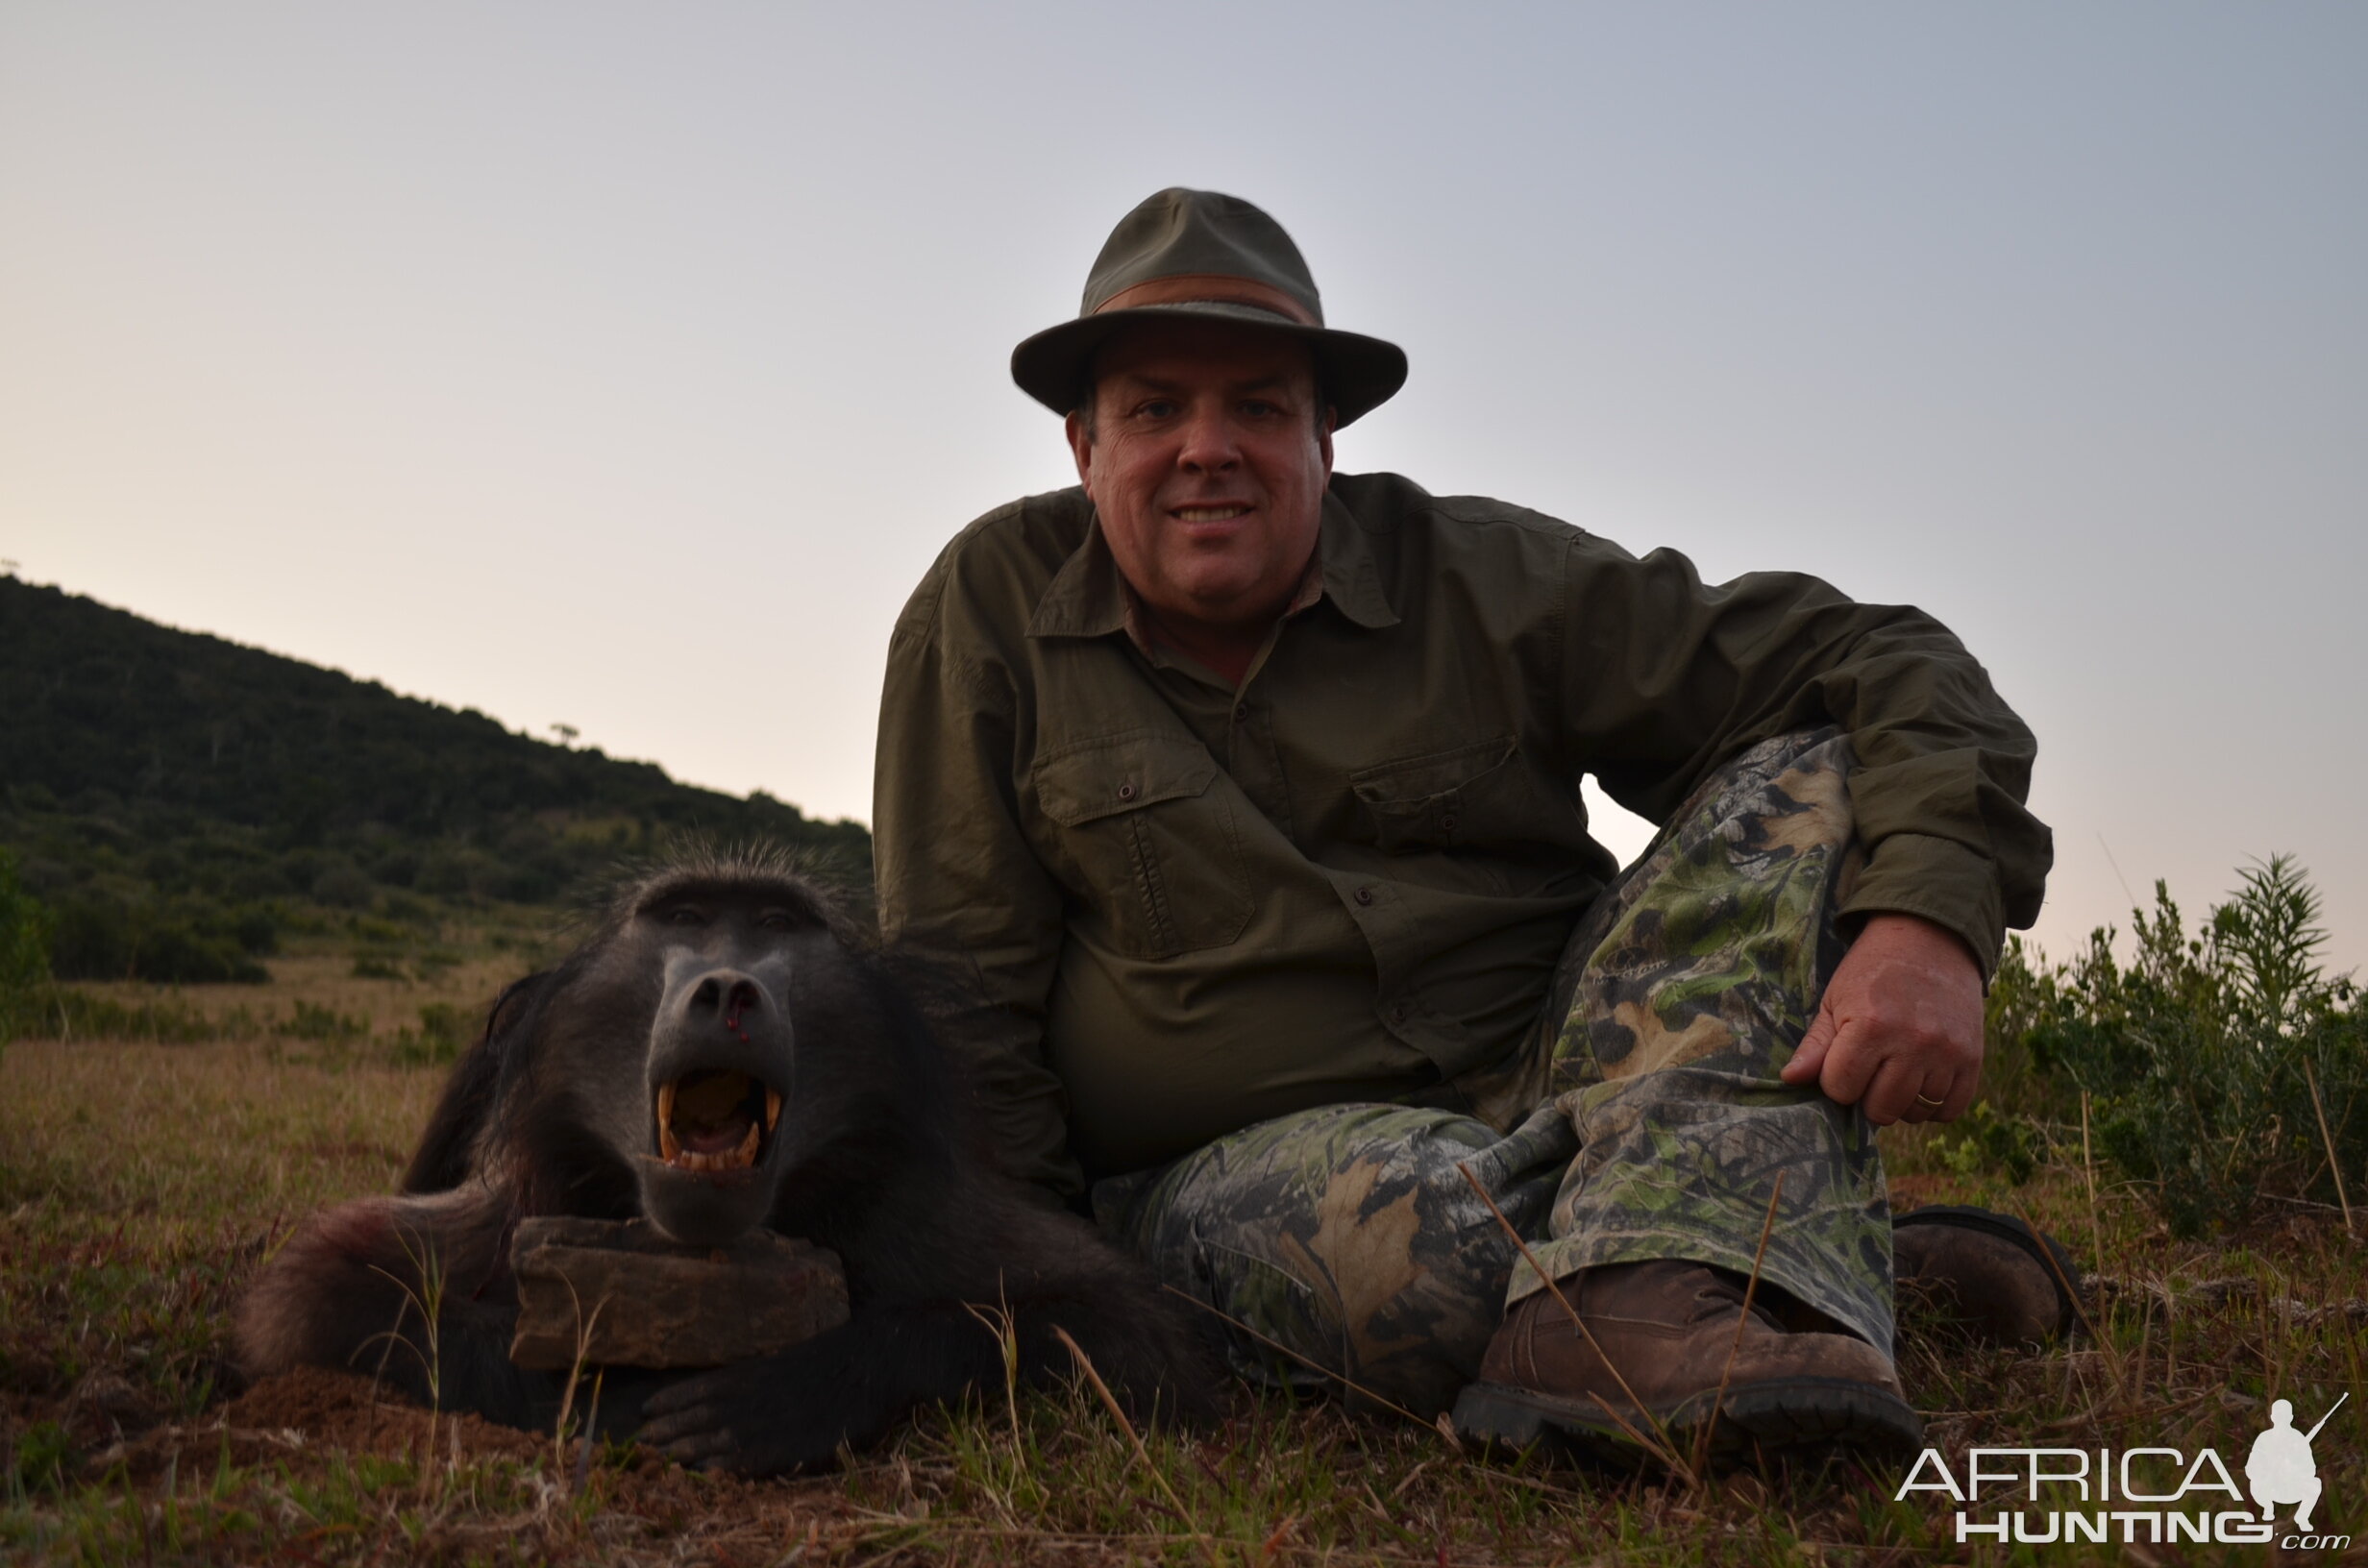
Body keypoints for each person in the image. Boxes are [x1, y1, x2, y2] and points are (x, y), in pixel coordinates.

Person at [873, 188, 2055, 1459]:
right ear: (1082, 446)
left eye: (1259, 407)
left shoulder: (1485, 577)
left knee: (1813, 769)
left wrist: (1928, 922)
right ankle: (1769, 1247)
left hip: (1573, 1072)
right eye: (1155, 408)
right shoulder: (987, 612)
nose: (1206, 447)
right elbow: (962, 1001)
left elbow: (1882, 657)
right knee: (1420, 1245)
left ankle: (1689, 1270)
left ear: (1325, 436)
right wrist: (1043, 1306)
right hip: (1236, 1169)